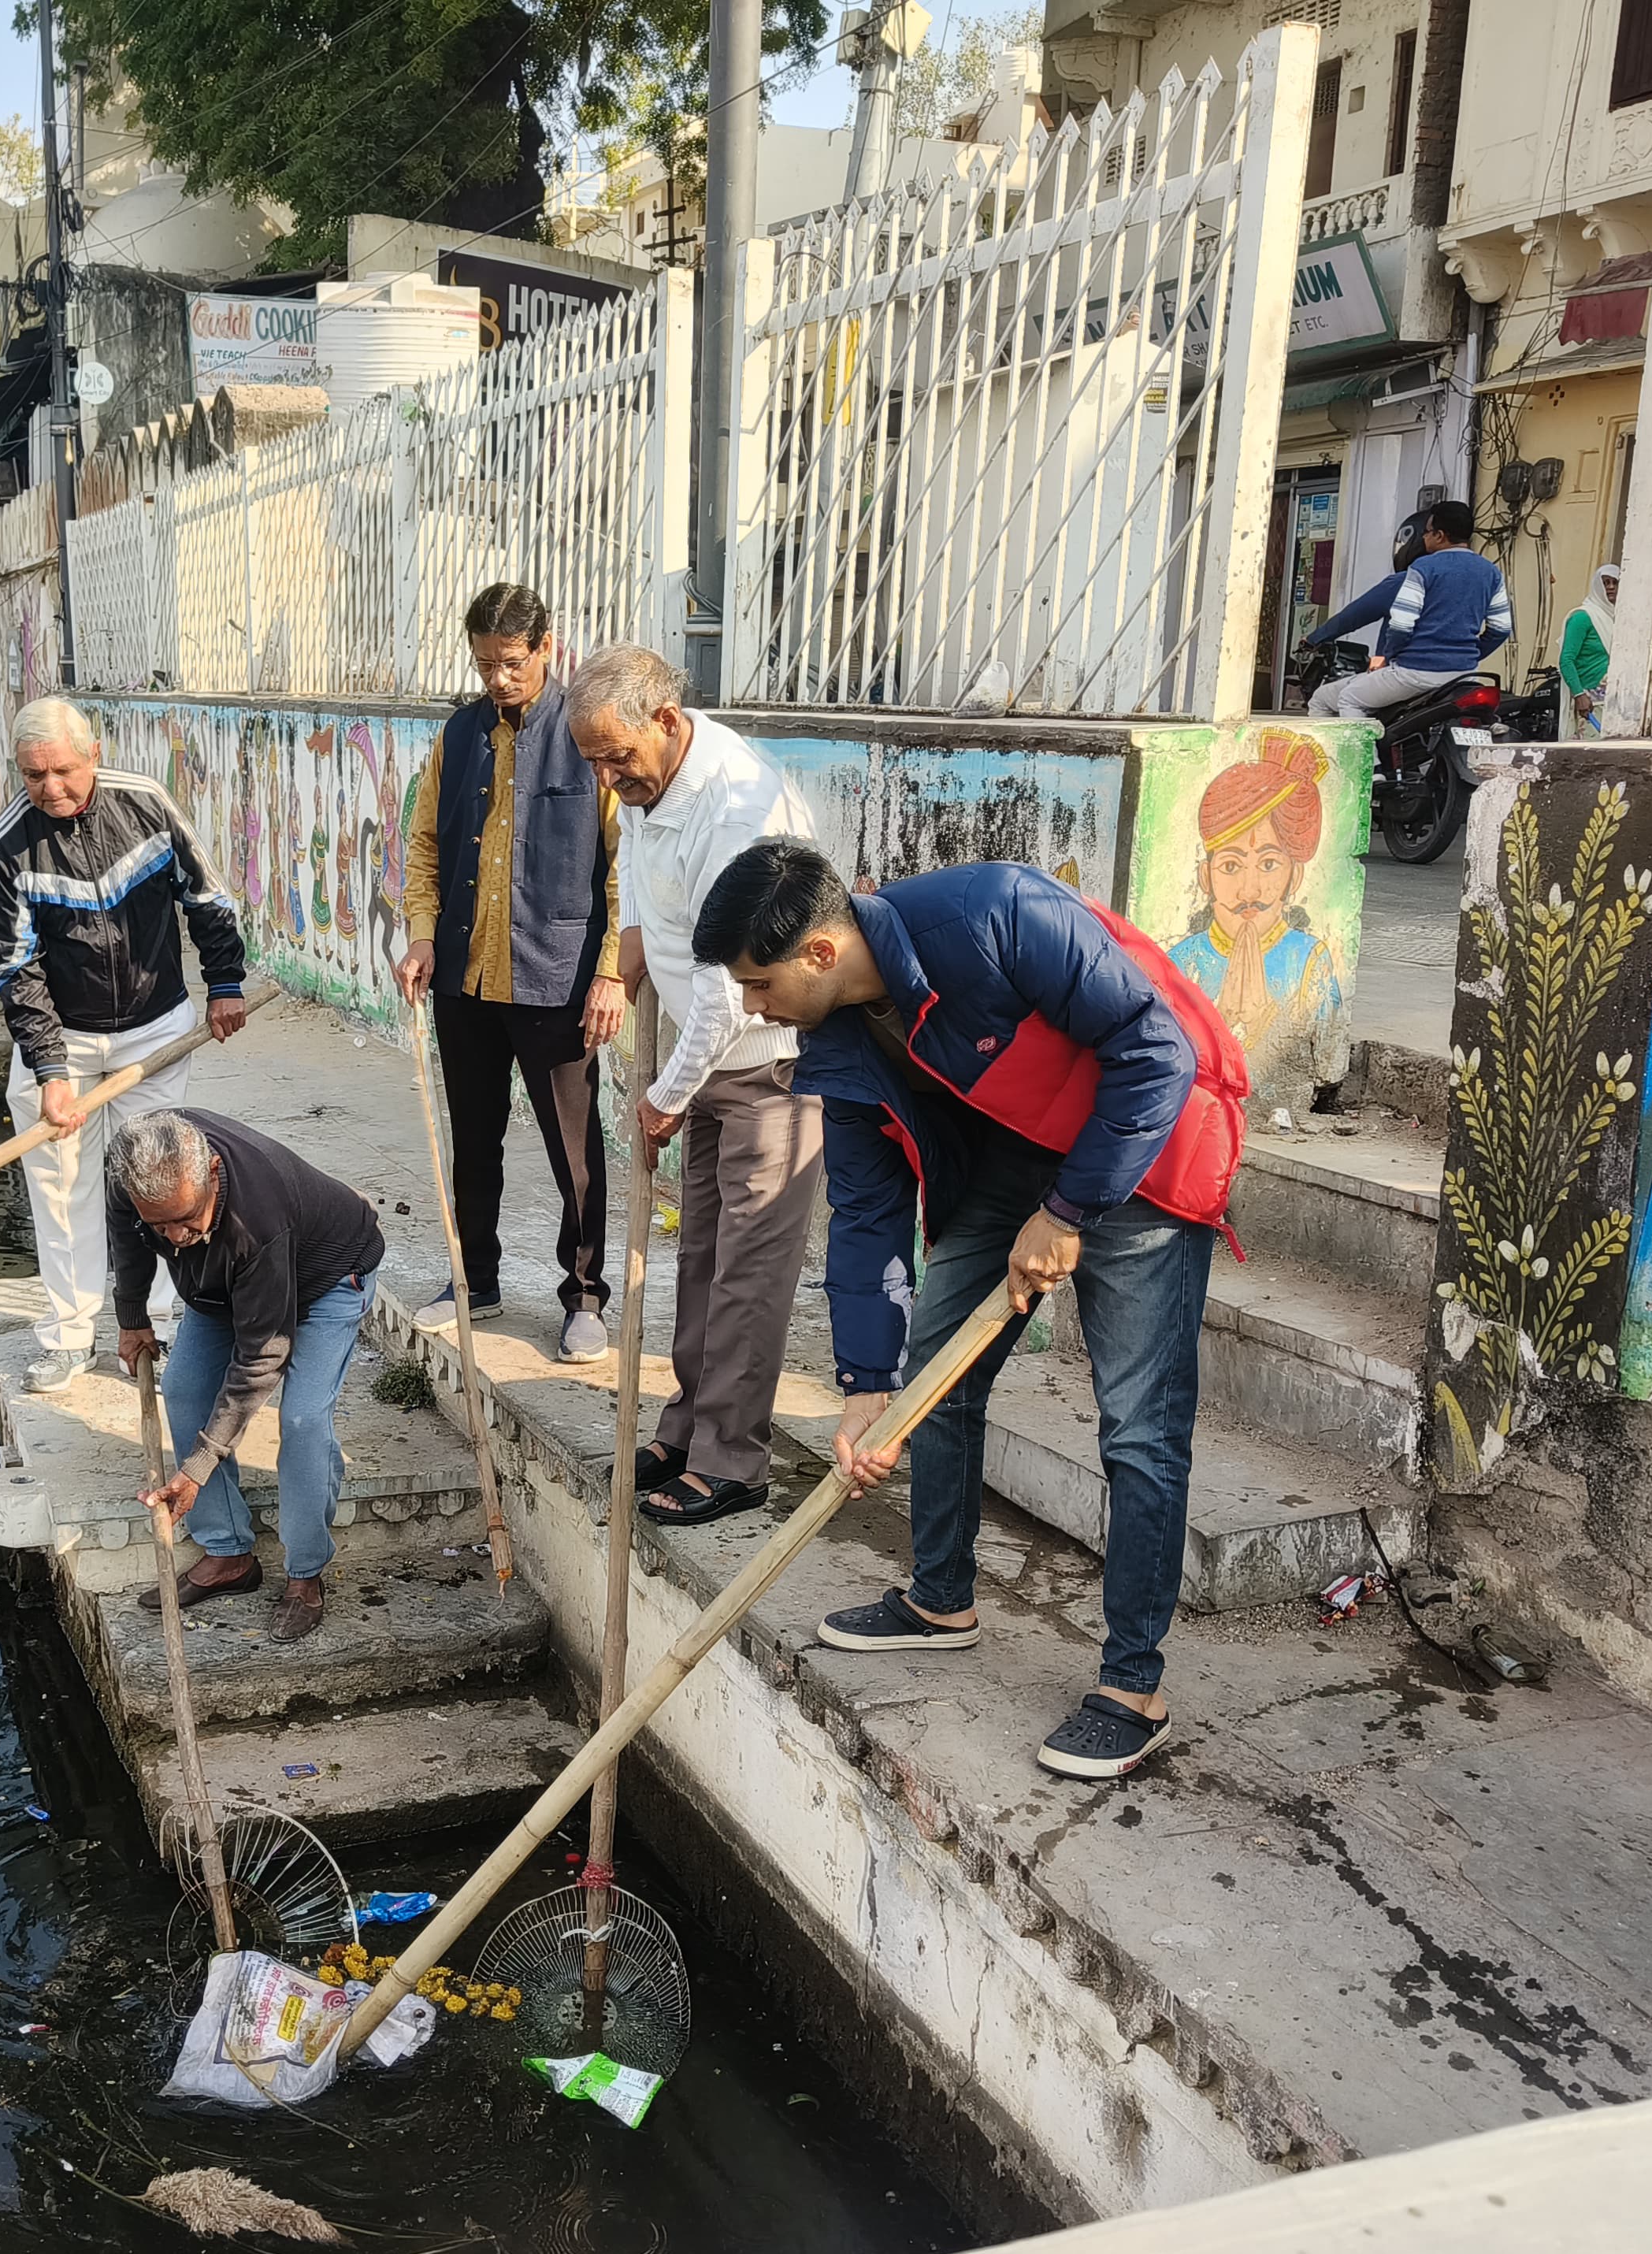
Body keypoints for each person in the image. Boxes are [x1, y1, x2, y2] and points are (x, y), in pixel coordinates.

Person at [696, 839, 1247, 1781]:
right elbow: (866, 1214)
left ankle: (1132, 1686)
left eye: (757, 983)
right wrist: (865, 1388)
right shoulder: (833, 1037)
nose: (751, 1008)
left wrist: (1069, 1211)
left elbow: (1157, 1052)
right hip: (1013, 1165)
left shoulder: (995, 914)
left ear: (820, 952)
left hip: (1145, 1152)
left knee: (1138, 1429)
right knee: (932, 1379)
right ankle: (941, 1596)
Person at [563, 643, 826, 1527]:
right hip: (703, 1062)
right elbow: (631, 876)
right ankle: (687, 1425)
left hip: (769, 1067)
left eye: (616, 757)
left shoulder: (735, 807)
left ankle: (733, 1459)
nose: (606, 778)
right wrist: (626, 960)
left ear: (666, 722)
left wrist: (661, 1098)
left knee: (748, 1274)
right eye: (591, 761)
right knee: (700, 1260)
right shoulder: (648, 784)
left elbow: (726, 1000)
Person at [0, 693, 249, 1394]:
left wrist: (225, 984)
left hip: (155, 1031)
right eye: (34, 776)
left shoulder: (148, 805)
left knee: (158, 1181)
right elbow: (18, 969)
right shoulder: (9, 846)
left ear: (93, 754)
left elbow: (207, 899)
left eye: (64, 771)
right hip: (64, 1042)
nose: (52, 789)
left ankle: (161, 1326)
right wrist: (47, 1068)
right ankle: (70, 1337)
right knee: (64, 1188)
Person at [398, 581, 629, 1362]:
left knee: (575, 1151)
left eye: (508, 664)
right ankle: (476, 1280)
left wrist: (610, 973)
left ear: (543, 649)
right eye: (482, 665)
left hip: (559, 978)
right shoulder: (458, 735)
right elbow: (424, 842)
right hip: (463, 978)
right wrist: (422, 936)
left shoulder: (587, 733)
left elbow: (620, 867)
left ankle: (585, 1297)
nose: (496, 679)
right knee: (473, 1140)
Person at [113, 1108, 385, 1643]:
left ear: (213, 1171)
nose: (174, 1238)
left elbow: (261, 1357)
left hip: (329, 1278)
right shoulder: (134, 1173)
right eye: (159, 1224)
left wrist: (196, 1467)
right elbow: (126, 1236)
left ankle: (305, 1576)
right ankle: (229, 1553)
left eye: (185, 1219)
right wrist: (131, 1317)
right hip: (224, 1284)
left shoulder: (255, 1220)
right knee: (187, 1389)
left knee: (304, 1419)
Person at [1164, 727, 1346, 1099]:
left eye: (1268, 864)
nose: (1250, 891)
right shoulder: (1179, 963)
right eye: (1230, 867)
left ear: (1294, 875)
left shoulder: (1309, 960)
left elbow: (1327, 1061)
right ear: (1206, 876)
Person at [1301, 498, 1513, 719]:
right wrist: (1470, 654)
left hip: (1414, 673)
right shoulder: (1491, 572)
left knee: (1349, 699)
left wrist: (1391, 657)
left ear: (1440, 536)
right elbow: (1501, 629)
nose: (1423, 536)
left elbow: (1401, 624)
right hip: (1464, 674)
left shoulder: (1423, 568)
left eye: (1427, 531)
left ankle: (1365, 756)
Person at [1561, 563, 1621, 733]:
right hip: (1590, 705)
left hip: (1615, 706)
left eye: (1615, 583)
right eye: (1605, 583)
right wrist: (1579, 695)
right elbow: (1567, 660)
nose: (1610, 587)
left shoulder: (1619, 619)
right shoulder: (1583, 617)